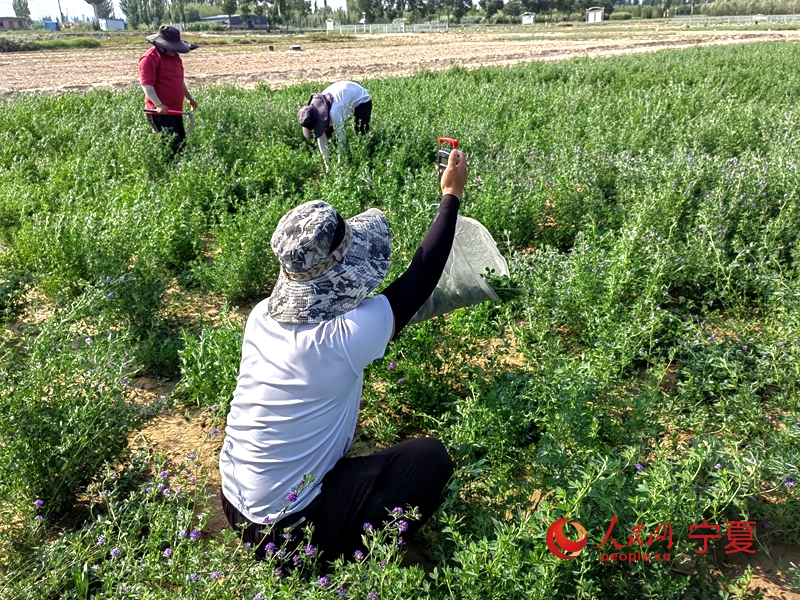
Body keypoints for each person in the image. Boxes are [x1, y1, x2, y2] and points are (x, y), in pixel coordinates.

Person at [219, 149, 469, 562]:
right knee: (429, 461)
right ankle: (345, 556)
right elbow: (420, 278)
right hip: (287, 530)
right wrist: (451, 196)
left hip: (235, 504)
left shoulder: (261, 316)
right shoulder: (344, 337)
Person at [138, 25, 198, 154]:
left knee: (181, 145)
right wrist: (158, 104)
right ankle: (168, 171)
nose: (175, 51)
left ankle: (179, 170)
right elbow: (147, 85)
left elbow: (179, 81)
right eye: (172, 48)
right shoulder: (150, 59)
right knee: (171, 147)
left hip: (176, 109)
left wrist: (189, 98)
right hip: (161, 112)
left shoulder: (175, 57)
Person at [297, 80, 372, 164]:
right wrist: (327, 165)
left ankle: (366, 158)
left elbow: (341, 138)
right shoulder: (312, 110)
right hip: (343, 98)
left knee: (361, 132)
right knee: (330, 137)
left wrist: (340, 164)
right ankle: (336, 160)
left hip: (361, 99)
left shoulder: (334, 113)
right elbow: (321, 139)